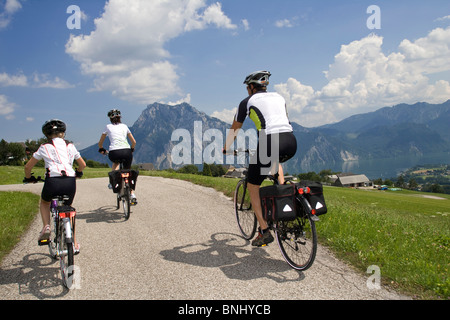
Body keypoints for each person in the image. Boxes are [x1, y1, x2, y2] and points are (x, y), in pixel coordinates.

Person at [223, 71, 297, 247]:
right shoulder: (279, 97)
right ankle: (282, 194)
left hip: (270, 142)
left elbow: (235, 128)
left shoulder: (246, 102)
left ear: (250, 87)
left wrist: (226, 147)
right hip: (291, 141)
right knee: (274, 161)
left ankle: (264, 231)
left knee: (252, 185)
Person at [24, 119, 86, 254]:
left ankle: (46, 226)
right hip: (70, 181)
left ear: (46, 134)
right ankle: (74, 243)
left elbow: (28, 166)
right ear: (63, 133)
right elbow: (83, 164)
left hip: (52, 181)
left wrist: (28, 178)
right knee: (68, 210)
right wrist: (79, 172)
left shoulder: (44, 146)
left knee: (45, 203)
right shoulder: (70, 145)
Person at [98, 108, 138, 204]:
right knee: (128, 170)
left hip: (114, 152)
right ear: (120, 117)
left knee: (116, 162)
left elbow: (100, 142)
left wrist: (101, 148)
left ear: (110, 119)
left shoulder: (107, 127)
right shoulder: (124, 126)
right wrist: (132, 148)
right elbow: (134, 142)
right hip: (126, 151)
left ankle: (113, 182)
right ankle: (132, 194)